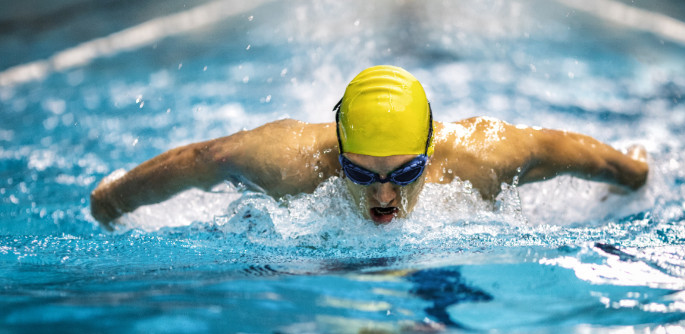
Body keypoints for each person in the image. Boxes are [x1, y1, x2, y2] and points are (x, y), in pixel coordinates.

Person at [90, 65, 648, 228]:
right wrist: (112, 198)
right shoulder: (288, 163)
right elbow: (202, 159)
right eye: (361, 174)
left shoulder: (484, 157)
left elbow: (587, 155)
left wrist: (635, 173)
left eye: (406, 173)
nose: (384, 194)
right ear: (337, 153)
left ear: (431, 150)